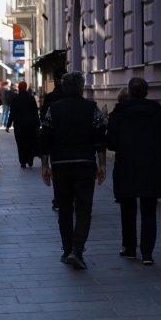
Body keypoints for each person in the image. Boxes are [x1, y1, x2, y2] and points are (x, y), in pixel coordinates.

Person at [40, 71, 107, 270]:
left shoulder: (53, 109)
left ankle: (67, 249)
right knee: (84, 209)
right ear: (81, 88)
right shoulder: (91, 108)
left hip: (61, 166)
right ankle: (77, 250)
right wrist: (102, 163)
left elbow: (45, 138)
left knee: (65, 210)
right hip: (85, 164)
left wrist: (45, 165)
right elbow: (99, 137)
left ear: (63, 88)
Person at [107, 77, 161, 265]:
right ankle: (147, 253)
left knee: (127, 210)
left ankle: (129, 248)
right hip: (152, 168)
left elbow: (111, 144)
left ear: (128, 93)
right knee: (149, 211)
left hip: (126, 167)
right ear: (146, 92)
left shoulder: (118, 114)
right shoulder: (158, 114)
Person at [40, 68, 67, 211]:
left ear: (56, 80)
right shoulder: (71, 96)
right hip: (72, 140)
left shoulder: (50, 97)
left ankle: (58, 200)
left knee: (57, 170)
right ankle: (71, 198)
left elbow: (43, 118)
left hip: (55, 141)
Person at [6, 81, 40, 167]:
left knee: (20, 143)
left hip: (19, 125)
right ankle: (30, 159)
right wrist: (38, 124)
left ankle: (23, 161)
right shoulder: (31, 98)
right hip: (30, 125)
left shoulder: (16, 99)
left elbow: (12, 113)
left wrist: (8, 125)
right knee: (30, 142)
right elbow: (35, 112)